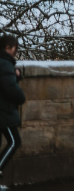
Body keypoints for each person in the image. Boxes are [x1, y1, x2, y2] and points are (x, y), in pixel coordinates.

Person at [0, 34, 25, 178]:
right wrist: (21, 97)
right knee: (14, 141)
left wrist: (15, 76)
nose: (15, 52)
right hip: (3, 112)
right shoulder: (4, 63)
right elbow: (9, 88)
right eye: (14, 48)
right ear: (8, 47)